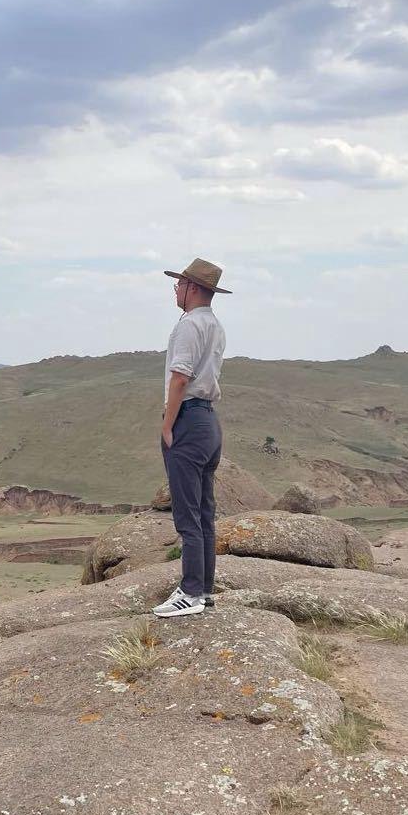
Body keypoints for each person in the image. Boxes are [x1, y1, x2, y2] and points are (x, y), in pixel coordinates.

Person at [151, 257, 230, 618]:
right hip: (209, 424)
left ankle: (191, 592)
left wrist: (168, 425)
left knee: (187, 514)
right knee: (204, 512)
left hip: (189, 420)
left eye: (179, 283)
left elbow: (180, 378)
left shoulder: (188, 326)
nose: (175, 288)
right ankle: (204, 590)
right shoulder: (215, 325)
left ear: (193, 288)